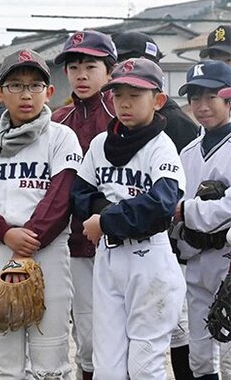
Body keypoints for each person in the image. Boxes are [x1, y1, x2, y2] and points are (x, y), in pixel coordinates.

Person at [0, 49, 82, 379]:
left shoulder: (61, 137)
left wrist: (24, 244)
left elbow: (61, 196)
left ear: (50, 92)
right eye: (15, 85)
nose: (26, 94)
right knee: (1, 362)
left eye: (35, 85)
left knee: (51, 361)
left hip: (47, 251)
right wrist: (4, 233)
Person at [72, 57, 187, 379]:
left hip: (149, 257)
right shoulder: (99, 144)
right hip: (109, 256)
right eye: (118, 94)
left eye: (135, 95)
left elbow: (162, 203)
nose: (124, 103)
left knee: (143, 365)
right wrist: (105, 215)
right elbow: (80, 193)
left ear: (158, 100)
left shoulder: (161, 146)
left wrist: (106, 220)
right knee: (107, 367)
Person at [113, 30, 199, 379]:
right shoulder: (118, 122)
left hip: (167, 239)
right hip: (122, 242)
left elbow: (177, 195)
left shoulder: (175, 124)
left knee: (172, 332)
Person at [51, 30, 117, 380]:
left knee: (127, 336)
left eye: (91, 65)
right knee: (87, 338)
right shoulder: (56, 122)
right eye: (73, 66)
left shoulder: (123, 116)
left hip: (121, 240)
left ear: (110, 69)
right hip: (74, 245)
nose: (81, 74)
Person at [173, 61, 231, 380]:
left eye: (211, 97)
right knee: (199, 355)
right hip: (195, 260)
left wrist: (186, 210)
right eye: (195, 98)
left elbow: (227, 208)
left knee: (229, 356)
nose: (202, 106)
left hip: (227, 258)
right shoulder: (187, 152)